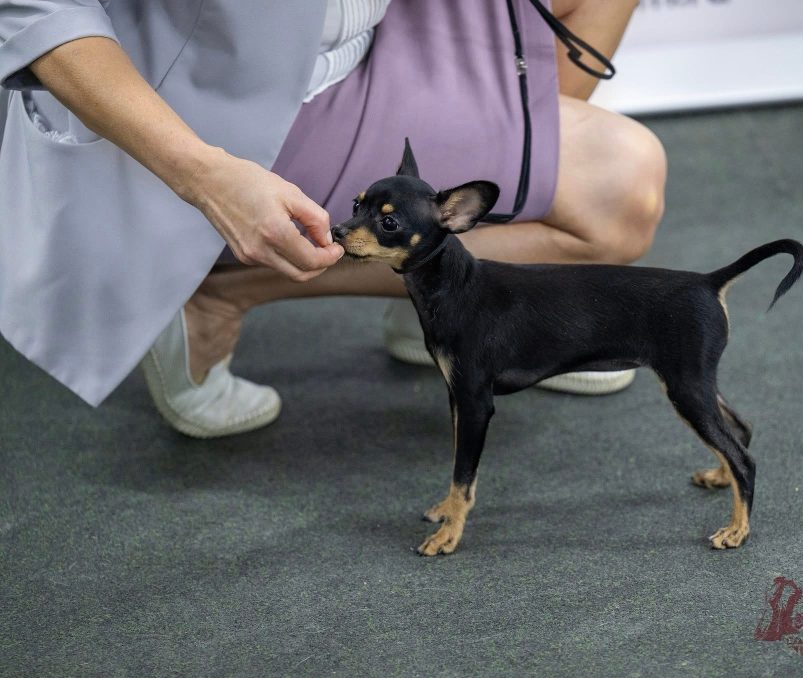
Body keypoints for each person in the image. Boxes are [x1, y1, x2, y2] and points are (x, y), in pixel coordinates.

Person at [0, 0, 666, 437]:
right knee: (618, 186)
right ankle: (217, 292)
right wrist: (203, 174)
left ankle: (436, 296)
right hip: (222, 97)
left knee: (618, 172)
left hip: (389, 41)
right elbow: (36, 8)